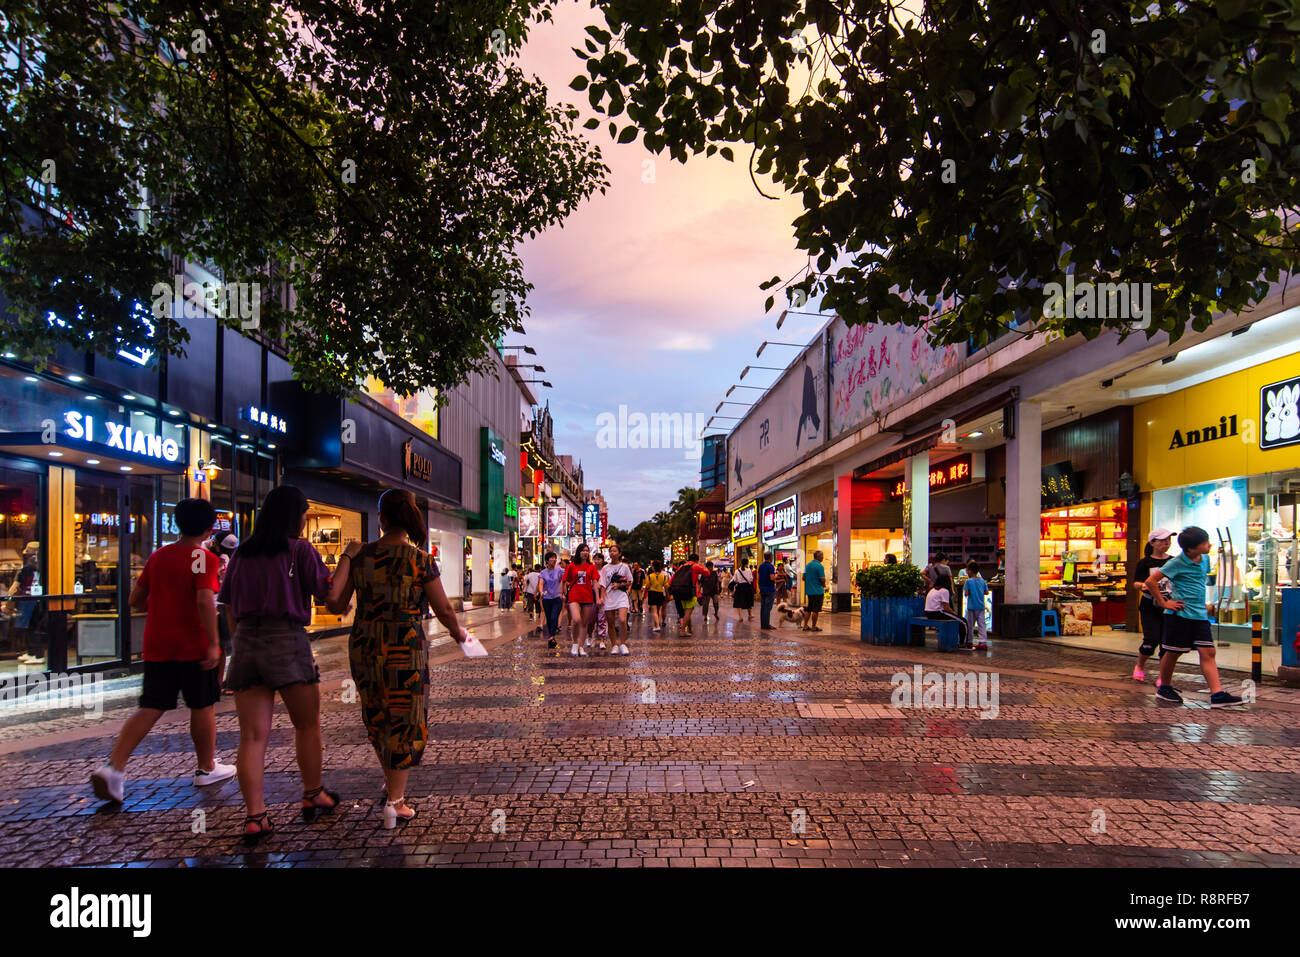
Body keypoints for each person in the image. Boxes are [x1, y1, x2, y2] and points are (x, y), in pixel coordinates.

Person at [327, 489, 470, 828]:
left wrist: (346, 557)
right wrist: (459, 634)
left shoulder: (362, 556)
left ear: (381, 518)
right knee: (406, 715)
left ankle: (392, 782)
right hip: (404, 645)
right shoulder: (420, 560)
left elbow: (334, 604)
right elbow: (444, 608)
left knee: (377, 713)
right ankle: (396, 801)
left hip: (366, 645)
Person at [90, 498, 236, 808]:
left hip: (158, 643)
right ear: (210, 529)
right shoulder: (204, 558)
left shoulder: (158, 556)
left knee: (151, 705)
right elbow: (203, 600)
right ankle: (206, 767)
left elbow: (135, 599)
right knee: (203, 704)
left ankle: (113, 766)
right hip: (193, 644)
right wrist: (213, 642)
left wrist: (164, 606)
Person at [218, 486, 341, 843]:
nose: (305, 519)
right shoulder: (300, 550)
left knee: (253, 737)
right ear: (294, 516)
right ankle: (312, 791)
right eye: (304, 512)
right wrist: (347, 560)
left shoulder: (242, 553)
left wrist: (240, 641)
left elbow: (227, 605)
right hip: (287, 640)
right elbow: (330, 597)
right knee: (306, 725)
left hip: (245, 645)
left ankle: (255, 817)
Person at [1145, 526, 1244, 707]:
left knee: (1208, 651)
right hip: (1179, 615)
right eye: (1205, 543)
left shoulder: (1205, 559)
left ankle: (1217, 694)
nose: (1209, 545)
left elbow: (1198, 584)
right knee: (1173, 652)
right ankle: (1165, 687)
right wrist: (1164, 602)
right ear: (1191, 548)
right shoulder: (1176, 563)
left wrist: (1205, 604)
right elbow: (1151, 581)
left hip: (1200, 615)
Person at [1132, 528, 1174, 683]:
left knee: (1167, 643)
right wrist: (1143, 586)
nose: (1166, 543)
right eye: (1162, 541)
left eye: (1168, 540)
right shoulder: (1145, 563)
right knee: (1151, 640)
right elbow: (1136, 583)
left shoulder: (1173, 561)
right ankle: (1140, 665)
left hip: (1169, 605)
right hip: (1150, 605)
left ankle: (1163, 676)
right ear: (1153, 543)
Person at [208, 532, 240, 694]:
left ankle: (218, 682)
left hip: (217, 604)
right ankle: (221, 682)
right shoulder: (232, 558)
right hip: (222, 604)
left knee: (221, 647)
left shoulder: (209, 556)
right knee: (227, 646)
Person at [562, 542, 599, 657]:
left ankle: (581, 646)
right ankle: (574, 643)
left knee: (584, 623)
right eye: (583, 550)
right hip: (574, 596)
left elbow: (595, 582)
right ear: (579, 552)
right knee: (576, 619)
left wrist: (597, 598)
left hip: (587, 597)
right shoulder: (571, 566)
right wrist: (563, 593)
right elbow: (564, 580)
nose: (585, 552)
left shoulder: (591, 567)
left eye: (587, 550)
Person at [599, 542, 633, 655]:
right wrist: (602, 598)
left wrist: (619, 585)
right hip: (609, 597)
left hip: (621, 596)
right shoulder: (605, 568)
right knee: (611, 622)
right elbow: (603, 584)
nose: (612, 553)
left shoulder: (625, 567)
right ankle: (614, 645)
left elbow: (629, 581)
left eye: (614, 551)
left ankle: (623, 644)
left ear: (619, 553)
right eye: (611, 551)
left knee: (623, 620)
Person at [924, 573, 969, 646]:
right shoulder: (944, 591)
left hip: (928, 613)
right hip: (937, 613)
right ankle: (963, 643)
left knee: (956, 619)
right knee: (963, 622)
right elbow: (947, 608)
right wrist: (954, 613)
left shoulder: (932, 590)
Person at [538, 551, 565, 648]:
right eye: (551, 558)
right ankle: (551, 636)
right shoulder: (543, 572)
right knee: (549, 618)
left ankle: (551, 636)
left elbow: (565, 579)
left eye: (555, 558)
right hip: (546, 598)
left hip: (557, 598)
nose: (554, 560)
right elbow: (540, 583)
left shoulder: (560, 570)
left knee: (554, 617)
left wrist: (563, 592)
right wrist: (541, 592)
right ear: (546, 561)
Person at [963, 560, 989, 650]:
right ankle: (983, 642)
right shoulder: (982, 581)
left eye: (967, 570)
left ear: (970, 571)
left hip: (971, 606)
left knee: (970, 625)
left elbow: (966, 593)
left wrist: (970, 592)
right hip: (981, 606)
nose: (966, 571)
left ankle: (969, 641)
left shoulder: (968, 582)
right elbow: (986, 592)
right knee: (982, 624)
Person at [802, 550, 827, 632]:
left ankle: (805, 625)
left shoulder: (808, 565)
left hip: (809, 591)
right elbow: (822, 579)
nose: (823, 557)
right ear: (818, 557)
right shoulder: (819, 566)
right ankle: (813, 626)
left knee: (809, 609)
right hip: (818, 591)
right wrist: (824, 585)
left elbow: (803, 578)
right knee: (815, 610)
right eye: (822, 556)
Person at [591, 551, 609, 649]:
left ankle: (602, 639)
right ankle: (589, 636)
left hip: (603, 597)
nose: (597, 561)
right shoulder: (590, 570)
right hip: (591, 597)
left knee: (602, 619)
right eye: (595, 559)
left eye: (599, 559)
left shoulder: (605, 571)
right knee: (590, 619)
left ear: (603, 560)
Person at [645, 559, 668, 631]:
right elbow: (666, 587)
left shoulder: (649, 576)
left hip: (652, 593)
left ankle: (657, 626)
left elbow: (647, 586)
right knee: (658, 610)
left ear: (653, 567)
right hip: (660, 594)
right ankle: (656, 624)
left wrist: (644, 595)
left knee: (654, 611)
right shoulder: (663, 577)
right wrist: (667, 595)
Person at [732, 558, 755, 622]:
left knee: (738, 602)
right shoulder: (749, 570)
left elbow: (735, 580)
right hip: (747, 587)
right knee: (748, 600)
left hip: (740, 587)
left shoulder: (737, 571)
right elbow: (751, 579)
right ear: (747, 563)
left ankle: (740, 616)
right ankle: (750, 614)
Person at [758, 552, 777, 630]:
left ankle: (763, 624)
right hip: (769, 589)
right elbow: (772, 578)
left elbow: (759, 578)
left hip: (762, 589)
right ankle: (766, 625)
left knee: (763, 607)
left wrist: (759, 588)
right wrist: (777, 575)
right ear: (771, 557)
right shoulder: (770, 566)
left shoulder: (761, 566)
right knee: (767, 607)